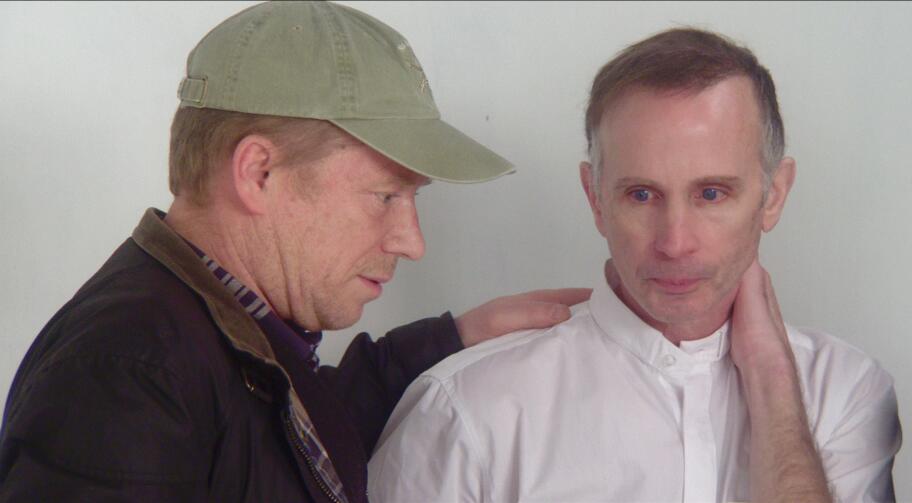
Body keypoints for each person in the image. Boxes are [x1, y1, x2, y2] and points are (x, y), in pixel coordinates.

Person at [0, 2, 587, 502]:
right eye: (385, 195)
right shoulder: (127, 373)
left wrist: (453, 338)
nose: (413, 241)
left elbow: (277, 441)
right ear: (259, 172)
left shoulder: (208, 333)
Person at [369, 28, 901, 503]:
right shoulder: (466, 410)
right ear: (595, 198)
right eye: (642, 194)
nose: (675, 243)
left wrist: (771, 380)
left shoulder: (844, 392)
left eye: (711, 193)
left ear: (774, 195)